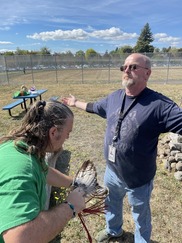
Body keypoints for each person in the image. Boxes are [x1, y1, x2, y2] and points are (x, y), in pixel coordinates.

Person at [62, 53, 182, 243]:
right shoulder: (115, 97)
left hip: (139, 178)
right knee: (111, 203)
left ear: (147, 73)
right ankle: (113, 230)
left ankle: (142, 240)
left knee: (140, 214)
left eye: (133, 67)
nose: (126, 70)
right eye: (124, 67)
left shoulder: (160, 105)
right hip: (112, 171)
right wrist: (75, 103)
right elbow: (95, 107)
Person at [0, 100, 85, 243]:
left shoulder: (20, 148)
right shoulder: (22, 167)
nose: (67, 138)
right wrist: (70, 206)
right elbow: (20, 239)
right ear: (53, 132)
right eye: (67, 133)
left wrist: (75, 183)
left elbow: (44, 171)